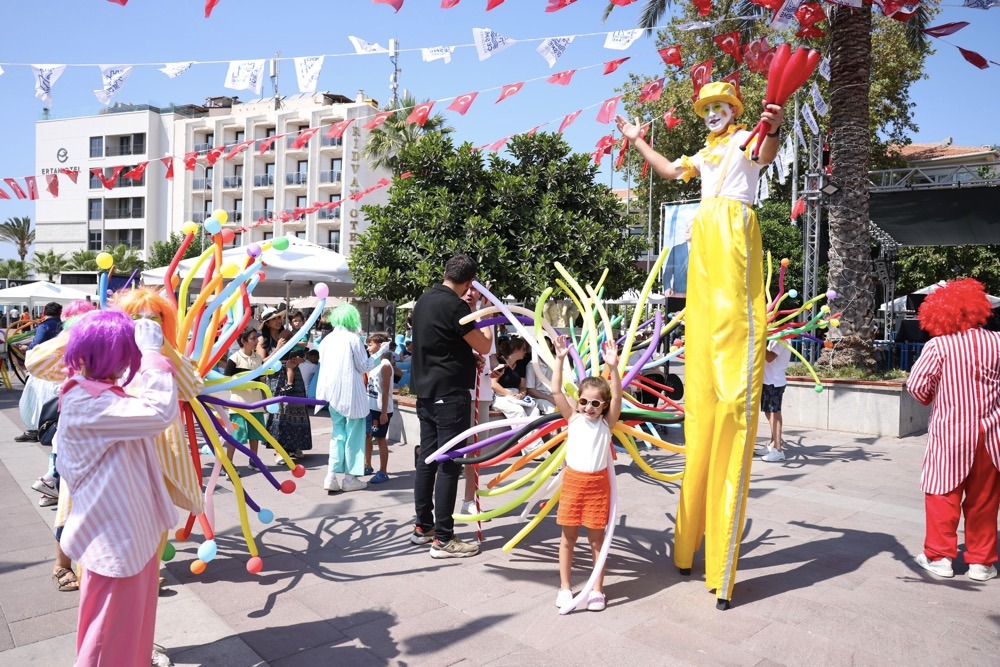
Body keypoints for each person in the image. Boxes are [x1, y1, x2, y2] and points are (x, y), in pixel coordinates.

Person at [617, 81, 784, 610]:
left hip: (733, 228)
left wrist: (774, 124)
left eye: (720, 108)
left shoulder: (742, 142)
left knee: (734, 377)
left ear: (734, 111)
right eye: (706, 108)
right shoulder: (705, 152)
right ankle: (688, 550)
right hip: (705, 233)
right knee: (704, 364)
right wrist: (637, 140)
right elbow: (669, 172)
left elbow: (763, 152)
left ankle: (720, 567)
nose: (712, 114)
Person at [58, 310, 178, 666]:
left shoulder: (103, 393)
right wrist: (154, 357)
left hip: (131, 533)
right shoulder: (87, 401)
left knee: (132, 630)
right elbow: (159, 411)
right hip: (114, 539)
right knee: (107, 640)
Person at [906, 278, 1000, 583]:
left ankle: (940, 557)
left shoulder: (939, 345)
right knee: (984, 499)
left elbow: (917, 387)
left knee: (942, 494)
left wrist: (936, 395)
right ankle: (981, 564)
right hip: (991, 436)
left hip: (951, 435)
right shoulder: (997, 342)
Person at [411, 254, 493, 558]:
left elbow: (439, 344)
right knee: (448, 464)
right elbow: (484, 345)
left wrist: (465, 357)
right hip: (450, 396)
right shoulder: (457, 306)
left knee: (427, 460)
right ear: (469, 281)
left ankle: (424, 527)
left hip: (426, 393)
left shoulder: (424, 300)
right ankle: (444, 539)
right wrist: (480, 314)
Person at [550, 335, 622, 612]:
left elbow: (617, 395)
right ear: (578, 401)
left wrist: (613, 368)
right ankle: (565, 588)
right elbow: (556, 391)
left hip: (597, 485)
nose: (589, 407)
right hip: (573, 483)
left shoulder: (607, 423)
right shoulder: (573, 418)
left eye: (595, 403)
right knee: (568, 538)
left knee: (596, 540)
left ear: (603, 406)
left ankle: (597, 589)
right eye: (584, 401)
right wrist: (559, 359)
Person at [316, 304, 379, 493]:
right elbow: (364, 366)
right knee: (354, 436)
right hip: (351, 395)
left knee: (337, 435)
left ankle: (331, 476)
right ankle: (350, 478)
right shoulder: (353, 339)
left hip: (331, 393)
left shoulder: (326, 340)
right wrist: (379, 353)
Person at [460, 282, 499, 516]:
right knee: (453, 451)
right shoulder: (454, 318)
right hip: (459, 393)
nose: (470, 294)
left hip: (481, 395)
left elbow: (491, 358)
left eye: (475, 290)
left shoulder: (488, 324)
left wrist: (496, 370)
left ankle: (468, 499)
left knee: (476, 452)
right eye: (466, 289)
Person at [15, 301, 64, 443]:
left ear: (44, 312)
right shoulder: (65, 326)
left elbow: (36, 345)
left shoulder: (44, 326)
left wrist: (25, 348)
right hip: (60, 370)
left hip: (43, 370)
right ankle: (51, 429)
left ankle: (35, 430)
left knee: (35, 400)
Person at [223, 328, 266, 468]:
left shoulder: (258, 358)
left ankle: (254, 460)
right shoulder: (234, 359)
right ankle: (227, 463)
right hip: (239, 405)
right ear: (243, 341)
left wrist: (264, 400)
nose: (256, 341)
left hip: (256, 403)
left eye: (256, 338)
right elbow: (227, 381)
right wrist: (245, 384)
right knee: (236, 435)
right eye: (253, 338)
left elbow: (262, 381)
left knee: (255, 434)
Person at [265, 342, 312, 462]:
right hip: (277, 376)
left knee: (298, 411)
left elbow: (302, 354)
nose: (278, 322)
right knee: (280, 413)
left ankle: (295, 446)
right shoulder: (264, 340)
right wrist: (277, 349)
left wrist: (298, 360)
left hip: (295, 377)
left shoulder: (292, 337)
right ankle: (279, 451)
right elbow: (262, 362)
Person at [364, 332, 395, 484]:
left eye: (370, 345)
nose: (368, 347)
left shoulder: (385, 366)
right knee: (367, 435)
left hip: (381, 410)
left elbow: (385, 391)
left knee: (380, 439)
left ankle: (383, 471)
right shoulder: (373, 364)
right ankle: (367, 465)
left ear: (380, 346)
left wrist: (384, 413)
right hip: (370, 407)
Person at [491, 337, 540, 422]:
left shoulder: (520, 366)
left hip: (516, 396)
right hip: (499, 396)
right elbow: (494, 384)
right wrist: (510, 394)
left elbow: (522, 386)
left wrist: (521, 394)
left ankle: (535, 435)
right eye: (524, 349)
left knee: (535, 411)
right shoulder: (499, 362)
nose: (526, 352)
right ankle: (525, 435)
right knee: (518, 411)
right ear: (516, 349)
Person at [760, 339, 793, 462]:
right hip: (769, 381)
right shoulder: (777, 337)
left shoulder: (783, 338)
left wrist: (758, 340)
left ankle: (778, 450)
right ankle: (773, 444)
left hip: (774, 382)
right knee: (771, 413)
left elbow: (769, 357)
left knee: (774, 414)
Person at [662, 224, 692, 297]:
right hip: (679, 296)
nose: (687, 230)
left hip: (699, 297)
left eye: (691, 227)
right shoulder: (676, 250)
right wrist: (667, 287)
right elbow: (667, 274)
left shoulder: (705, 251)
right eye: (686, 226)